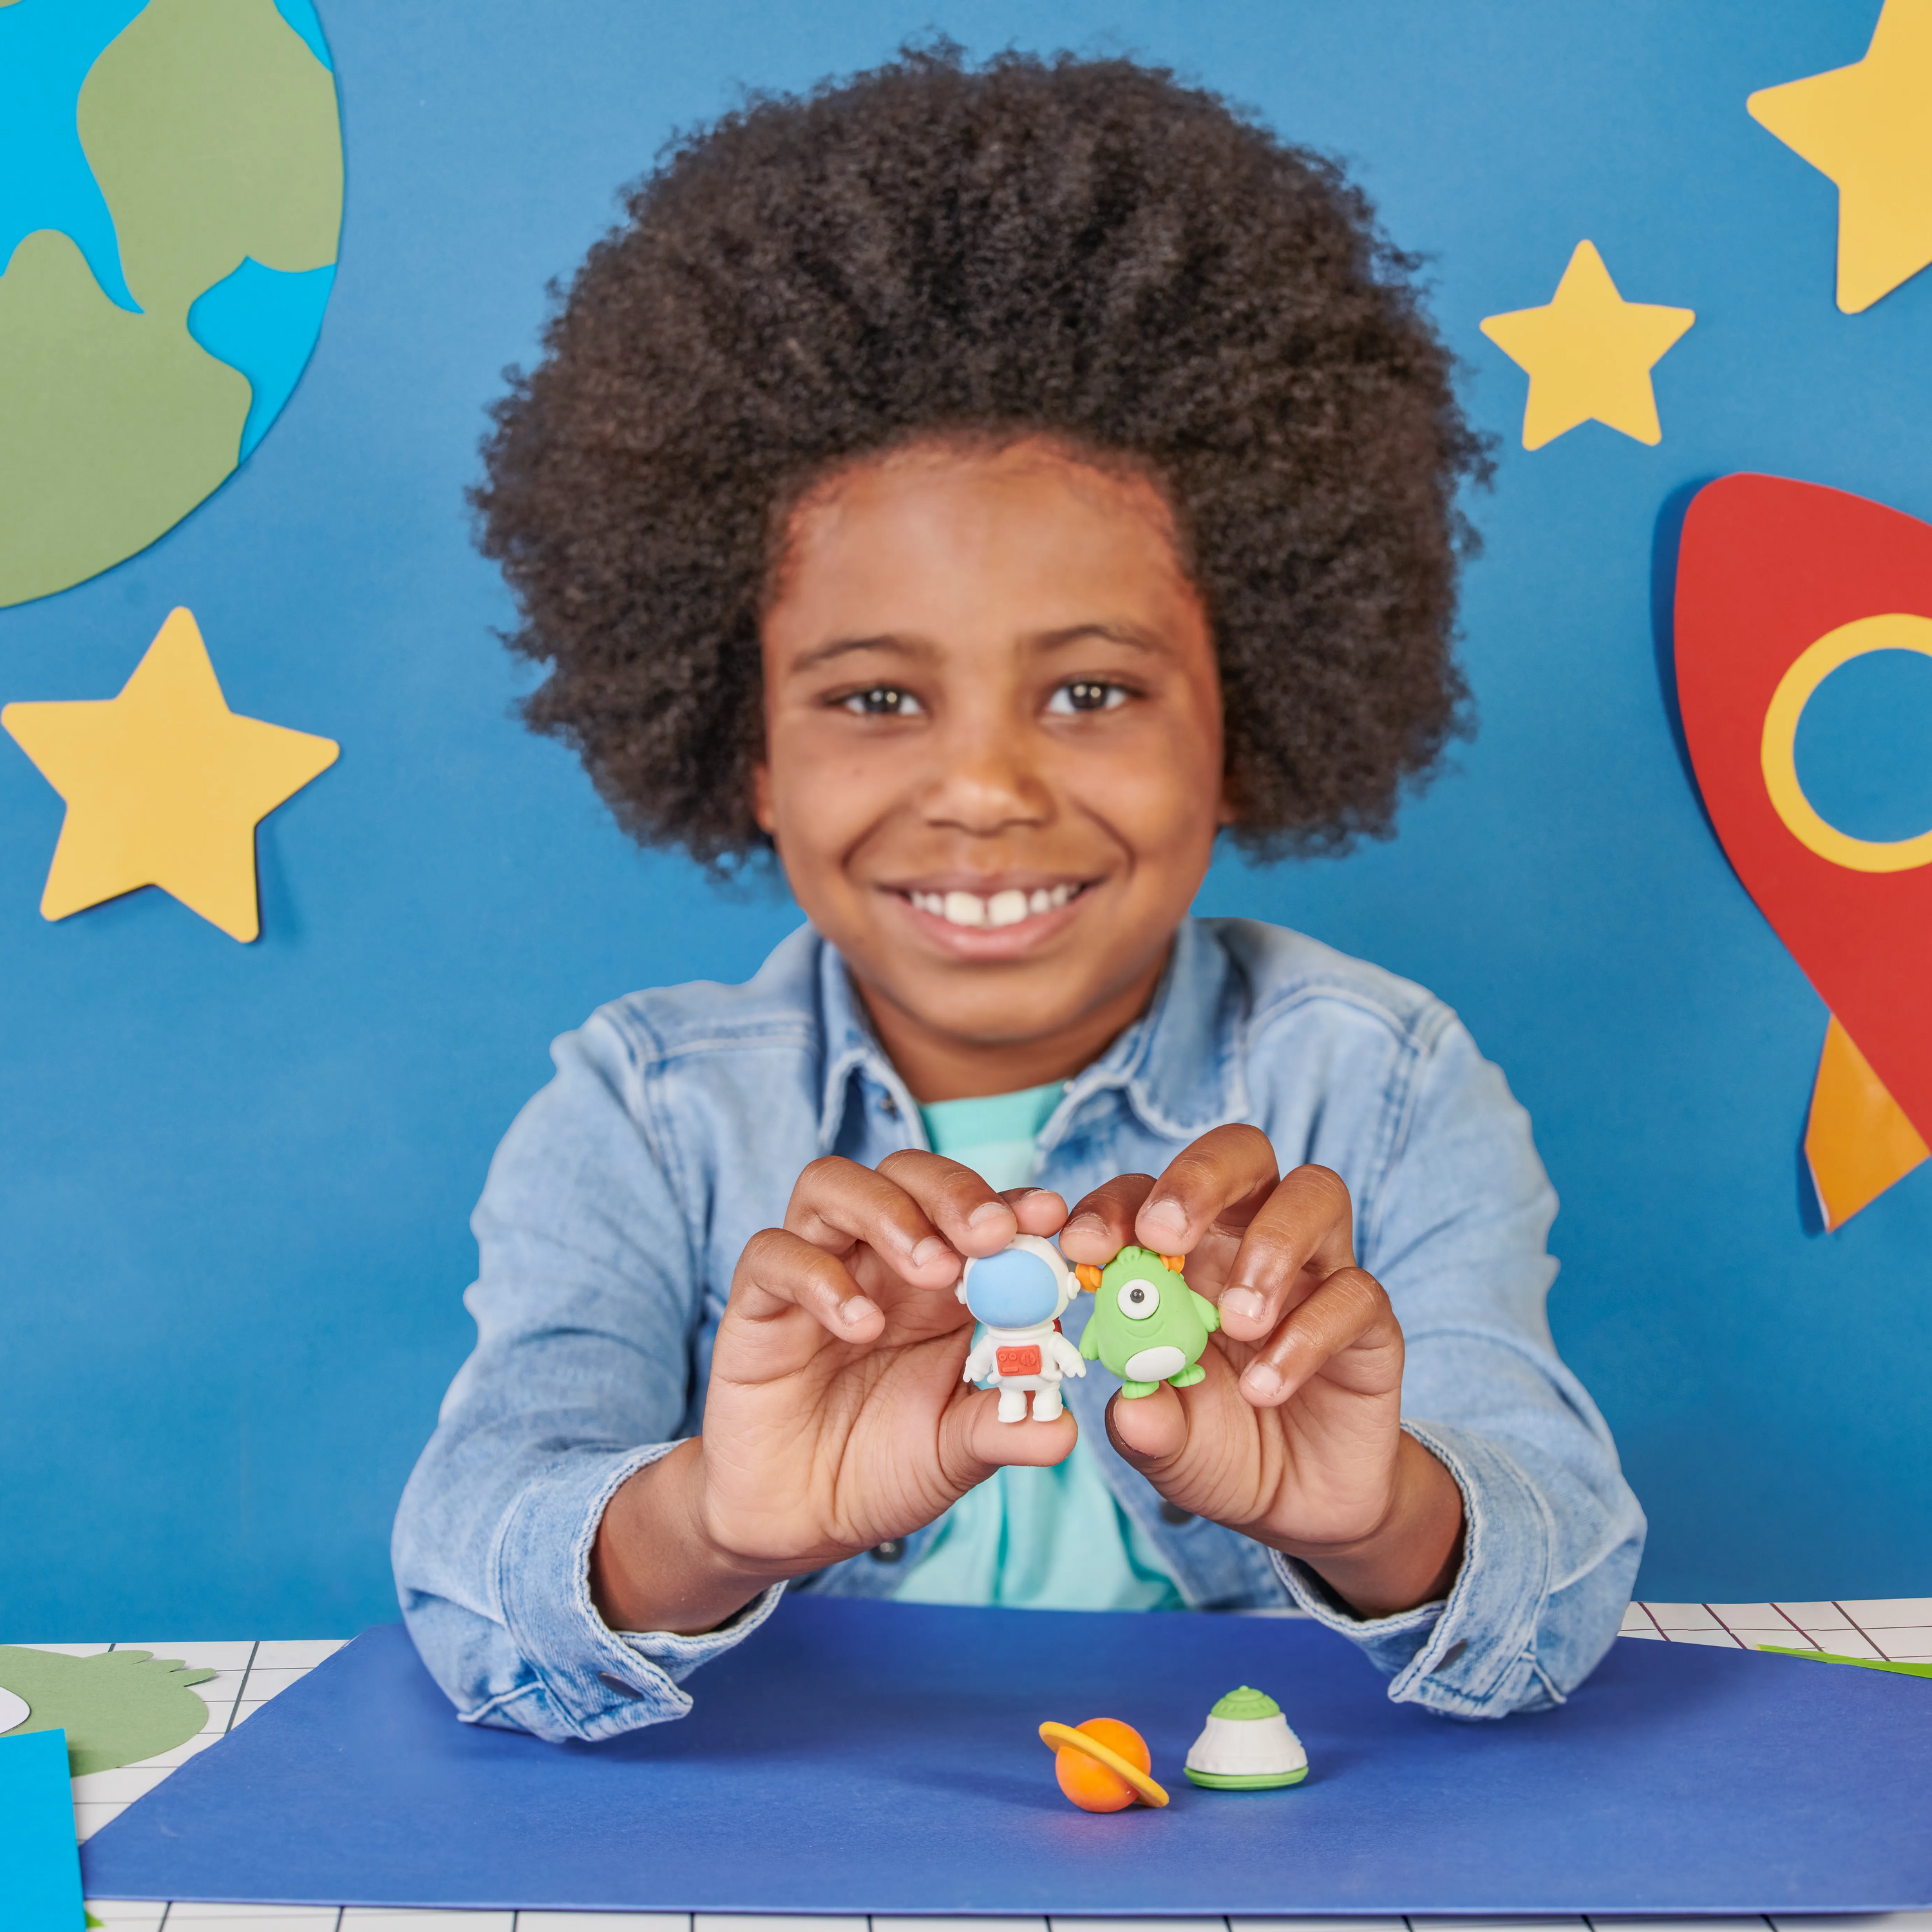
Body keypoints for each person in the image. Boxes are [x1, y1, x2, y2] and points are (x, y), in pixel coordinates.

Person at [392, 43, 1643, 1743]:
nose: (983, 790)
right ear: (744, 746)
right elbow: (472, 1568)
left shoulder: (1387, 1086)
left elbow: (1559, 1588)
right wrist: (711, 1518)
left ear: (1246, 727)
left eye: (1091, 690)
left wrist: (1373, 1512)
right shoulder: (643, 1115)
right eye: (876, 697)